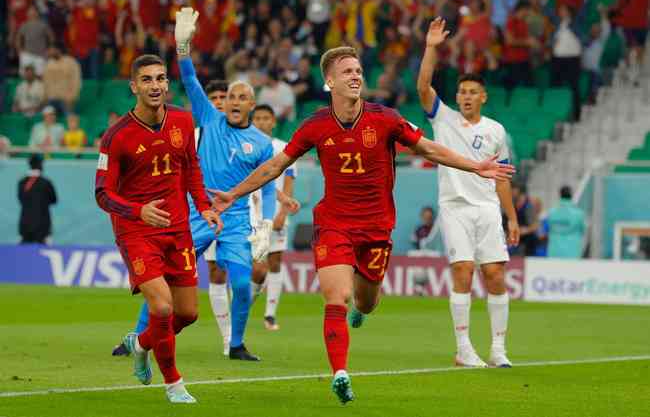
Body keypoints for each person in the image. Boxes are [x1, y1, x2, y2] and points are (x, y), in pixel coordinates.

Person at [211, 45, 514, 404]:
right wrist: (233, 194)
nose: (356, 76)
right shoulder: (316, 125)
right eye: (347, 72)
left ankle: (362, 310)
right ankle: (340, 372)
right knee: (334, 296)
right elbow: (275, 165)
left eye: (358, 70)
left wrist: (474, 165)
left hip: (375, 228)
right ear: (329, 82)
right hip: (334, 224)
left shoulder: (385, 118)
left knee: (366, 302)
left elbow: (429, 149)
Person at [121, 8, 278, 363]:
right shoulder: (209, 117)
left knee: (240, 283)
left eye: (242, 98)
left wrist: (266, 223)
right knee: (161, 278)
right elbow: (190, 80)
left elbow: (267, 186)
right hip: (196, 212)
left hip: (235, 218)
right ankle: (136, 335)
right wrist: (182, 48)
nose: (234, 103)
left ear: (252, 105)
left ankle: (236, 344)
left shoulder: (262, 144)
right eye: (231, 97)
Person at [95, 54, 222, 403]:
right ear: (134, 86)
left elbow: (191, 167)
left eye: (161, 79)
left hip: (178, 229)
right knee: (162, 308)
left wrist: (205, 207)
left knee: (187, 313)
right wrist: (139, 211)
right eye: (147, 80)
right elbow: (103, 193)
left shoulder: (182, 119)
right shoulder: (116, 136)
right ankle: (174, 383)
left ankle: (140, 343)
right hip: (136, 232)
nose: (156, 86)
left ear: (168, 83)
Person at [417, 18, 520, 369]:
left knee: (494, 274)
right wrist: (431, 46)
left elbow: (502, 177)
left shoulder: (496, 130)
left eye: (472, 92)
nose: (466, 97)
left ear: (483, 97)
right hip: (455, 206)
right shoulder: (443, 120)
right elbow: (423, 87)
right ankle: (463, 348)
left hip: (488, 208)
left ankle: (498, 349)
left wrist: (512, 217)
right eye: (462, 92)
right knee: (462, 270)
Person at [249, 104, 300, 331]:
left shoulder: (284, 149)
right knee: (257, 268)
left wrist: (282, 212)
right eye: (257, 118)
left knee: (275, 261)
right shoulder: (246, 147)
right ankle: (245, 304)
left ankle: (270, 314)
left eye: (265, 118)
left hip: (276, 212)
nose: (261, 122)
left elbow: (289, 182)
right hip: (251, 213)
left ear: (273, 122)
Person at [18, 154, 57, 244]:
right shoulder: (46, 183)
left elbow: (21, 199)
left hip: (25, 225)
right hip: (43, 226)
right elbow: (54, 200)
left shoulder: (22, 182)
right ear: (41, 165)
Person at [546, 186, 586, 258]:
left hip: (554, 252)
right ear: (571, 195)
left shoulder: (551, 212)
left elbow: (548, 228)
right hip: (572, 252)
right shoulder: (579, 214)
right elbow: (583, 231)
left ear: (560, 195)